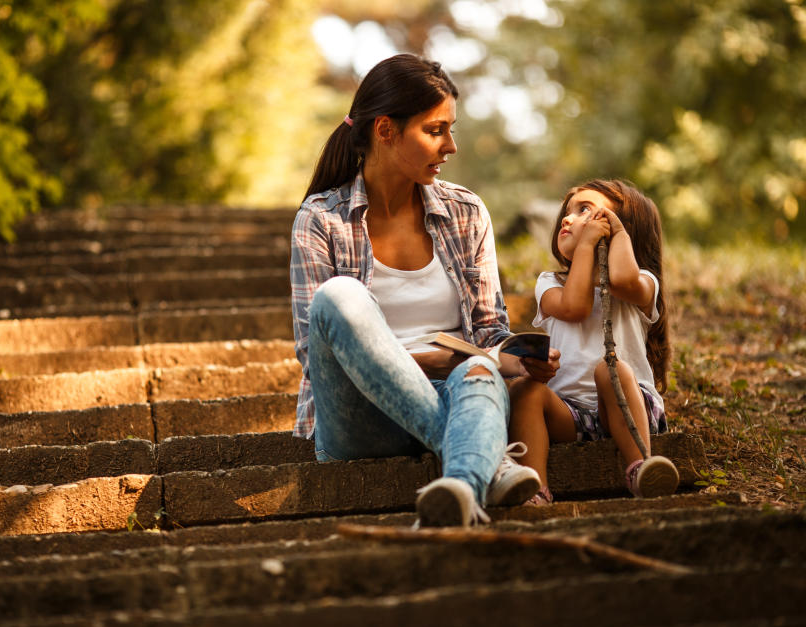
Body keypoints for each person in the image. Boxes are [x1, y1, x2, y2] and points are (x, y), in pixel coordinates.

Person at [290, 53, 559, 527]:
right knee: (339, 297)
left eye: (451, 129)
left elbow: (489, 333)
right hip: (361, 421)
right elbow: (316, 353)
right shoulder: (320, 219)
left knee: (480, 369)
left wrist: (513, 356)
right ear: (385, 130)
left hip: (462, 393)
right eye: (436, 130)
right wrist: (439, 361)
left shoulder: (466, 212)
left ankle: (460, 486)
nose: (451, 146)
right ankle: (489, 460)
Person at [509, 179, 679, 505]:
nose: (567, 219)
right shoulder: (549, 283)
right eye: (567, 212)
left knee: (608, 369)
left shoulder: (642, 283)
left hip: (633, 407)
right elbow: (575, 307)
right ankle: (535, 486)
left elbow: (621, 279)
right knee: (524, 390)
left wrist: (618, 236)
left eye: (585, 210)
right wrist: (587, 246)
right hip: (572, 415)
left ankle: (641, 468)